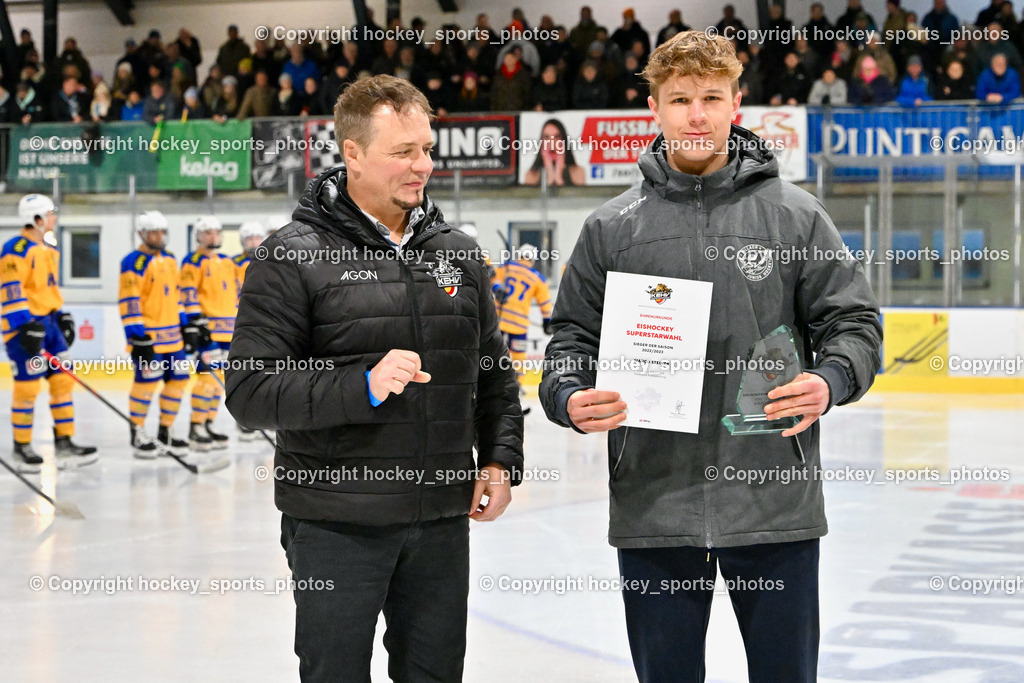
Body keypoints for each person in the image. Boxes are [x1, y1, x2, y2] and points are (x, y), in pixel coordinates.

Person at [540, 31, 882, 682]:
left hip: (773, 508)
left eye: (710, 97)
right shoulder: (612, 228)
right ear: (655, 110)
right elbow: (569, 340)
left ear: (737, 104)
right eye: (679, 99)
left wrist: (829, 380)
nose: (695, 114)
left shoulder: (796, 217)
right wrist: (569, 395)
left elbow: (854, 322)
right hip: (655, 508)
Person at [224, 74, 524, 682]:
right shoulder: (292, 255)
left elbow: (491, 372)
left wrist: (499, 459)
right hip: (336, 521)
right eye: (403, 152)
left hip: (440, 519)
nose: (423, 167)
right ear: (353, 153)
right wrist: (360, 383)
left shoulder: (458, 253)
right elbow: (250, 391)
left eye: (428, 149)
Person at [1, 194, 98, 472]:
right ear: (36, 219)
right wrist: (25, 326)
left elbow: (47, 290)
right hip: (24, 329)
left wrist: (61, 315)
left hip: (49, 327)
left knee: (62, 383)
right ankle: (21, 446)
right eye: (50, 213)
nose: (54, 218)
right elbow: (12, 289)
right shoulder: (15, 249)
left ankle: (64, 441)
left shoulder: (48, 249)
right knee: (28, 387)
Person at [120, 210, 206, 458]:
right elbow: (129, 301)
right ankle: (138, 433)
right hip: (149, 338)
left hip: (173, 339)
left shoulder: (170, 259)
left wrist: (186, 325)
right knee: (145, 385)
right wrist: (137, 336)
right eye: (154, 232)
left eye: (162, 231)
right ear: (142, 233)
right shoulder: (133, 262)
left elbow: (177, 296)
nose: (159, 236)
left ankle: (165, 431)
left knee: (179, 381)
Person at [178, 216, 236, 451]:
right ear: (199, 236)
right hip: (207, 330)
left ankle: (208, 423)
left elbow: (236, 292)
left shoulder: (226, 261)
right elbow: (188, 293)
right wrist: (196, 322)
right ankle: (196, 426)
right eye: (208, 233)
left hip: (229, 329)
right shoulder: (191, 261)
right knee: (206, 379)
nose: (214, 236)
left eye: (216, 232)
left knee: (219, 381)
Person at [491, 244, 553, 415]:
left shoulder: (507, 266)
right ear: (533, 259)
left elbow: (492, 278)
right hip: (519, 325)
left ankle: (494, 391)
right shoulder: (538, 278)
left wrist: (497, 289)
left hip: (499, 322)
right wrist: (547, 320)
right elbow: (545, 302)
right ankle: (516, 394)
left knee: (495, 356)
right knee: (518, 361)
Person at [524, 118, 586, 187]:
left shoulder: (577, 172)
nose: (552, 142)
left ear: (563, 141)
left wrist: (558, 176)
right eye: (547, 137)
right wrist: (549, 172)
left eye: (557, 137)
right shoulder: (531, 175)